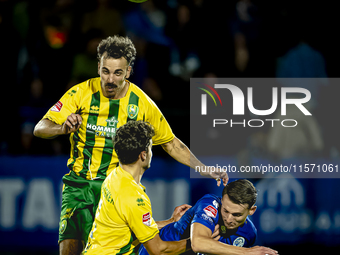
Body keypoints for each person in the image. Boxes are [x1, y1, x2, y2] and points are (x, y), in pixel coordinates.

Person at [33, 35, 228, 255]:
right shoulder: (81, 93)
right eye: (105, 71)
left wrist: (204, 168)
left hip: (113, 190)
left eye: (117, 73)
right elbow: (40, 128)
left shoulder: (141, 103)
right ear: (98, 67)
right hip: (78, 186)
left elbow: (170, 142)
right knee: (70, 250)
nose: (110, 79)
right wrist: (62, 128)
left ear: (128, 72)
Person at [83, 120, 192, 254]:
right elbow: (158, 250)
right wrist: (194, 242)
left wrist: (171, 221)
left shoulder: (115, 176)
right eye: (151, 148)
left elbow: (132, 224)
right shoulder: (133, 197)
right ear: (143, 155)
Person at [139, 179, 278, 255]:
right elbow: (198, 243)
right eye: (226, 211)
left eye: (237, 215)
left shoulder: (249, 234)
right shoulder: (209, 204)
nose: (229, 219)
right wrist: (246, 252)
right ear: (221, 201)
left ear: (251, 210)